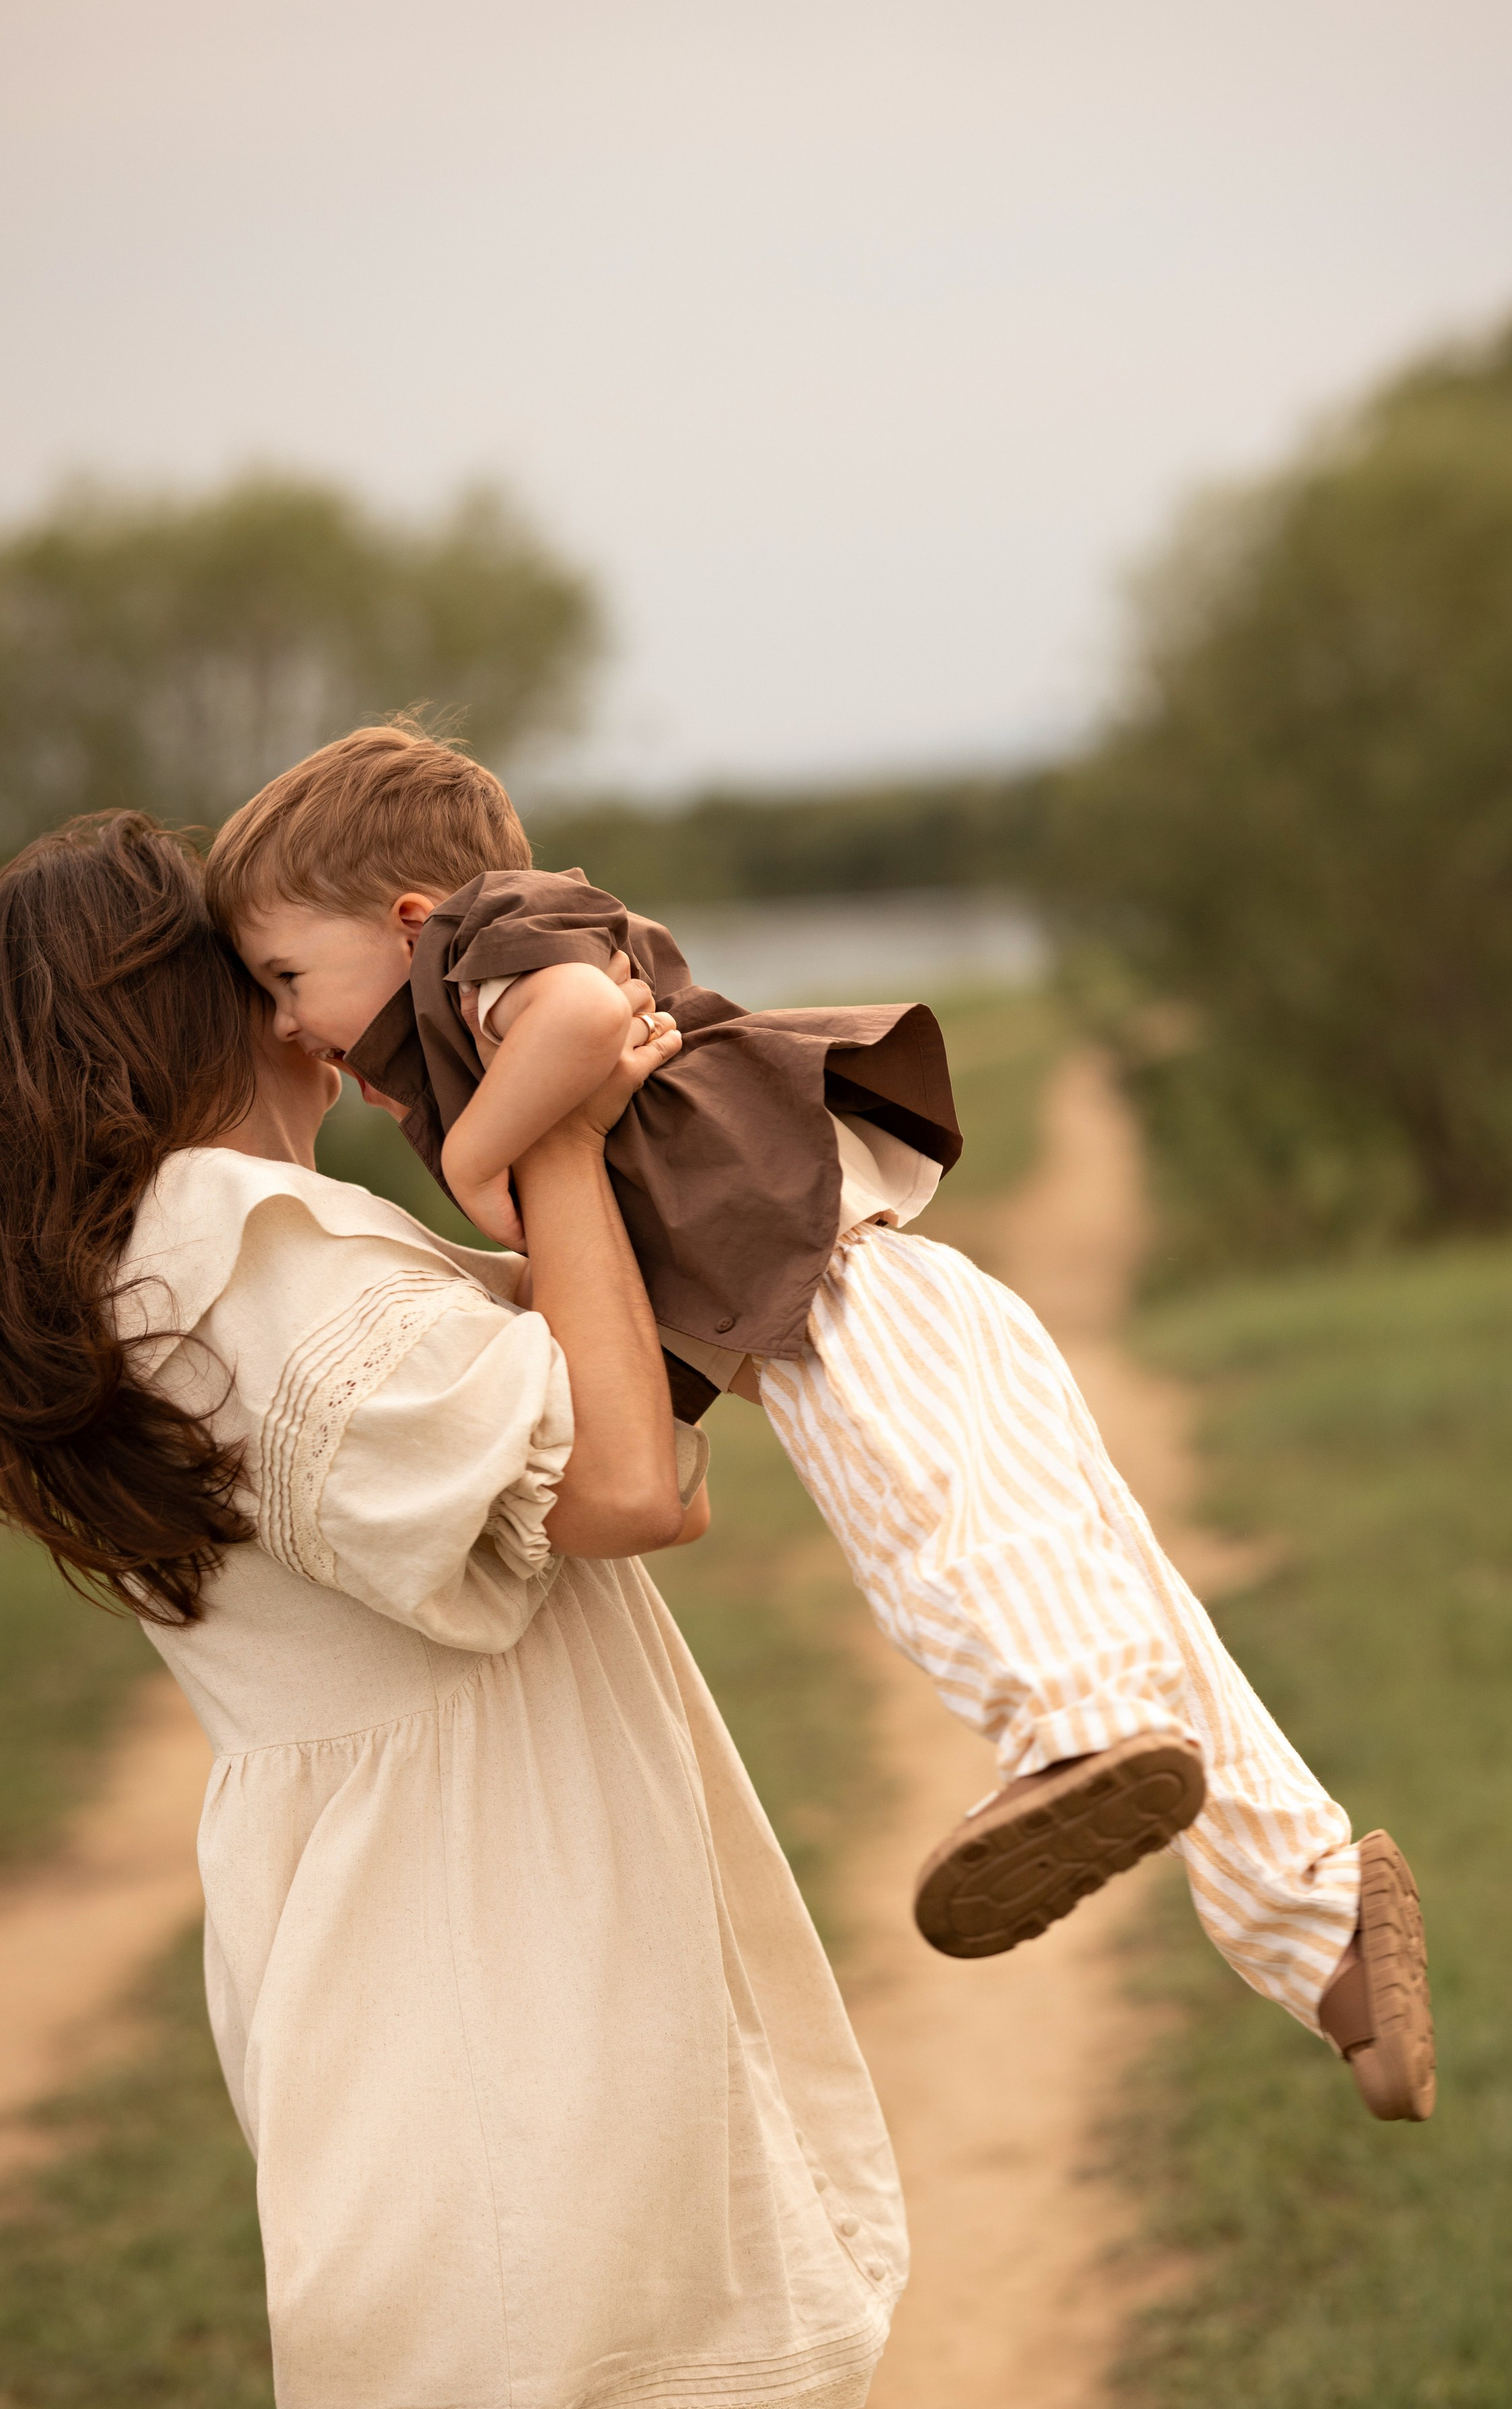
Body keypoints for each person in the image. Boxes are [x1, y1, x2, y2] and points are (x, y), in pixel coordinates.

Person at [0, 809, 902, 2409]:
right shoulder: (252, 1252)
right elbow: (630, 1482)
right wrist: (552, 1130)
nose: (319, 1020)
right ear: (180, 1016)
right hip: (527, 1977)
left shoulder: (131, 1282)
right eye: (261, 978)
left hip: (394, 1982)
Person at [207, 724, 1435, 2123]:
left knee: (939, 1526)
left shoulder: (484, 952)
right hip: (860, 1299)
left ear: (405, 917)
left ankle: (1080, 1735)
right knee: (1136, 1597)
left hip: (842, 1295)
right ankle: (1317, 1923)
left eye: (287, 975)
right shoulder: (456, 1009)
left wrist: (484, 1152)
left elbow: (586, 1018)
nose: (284, 1021)